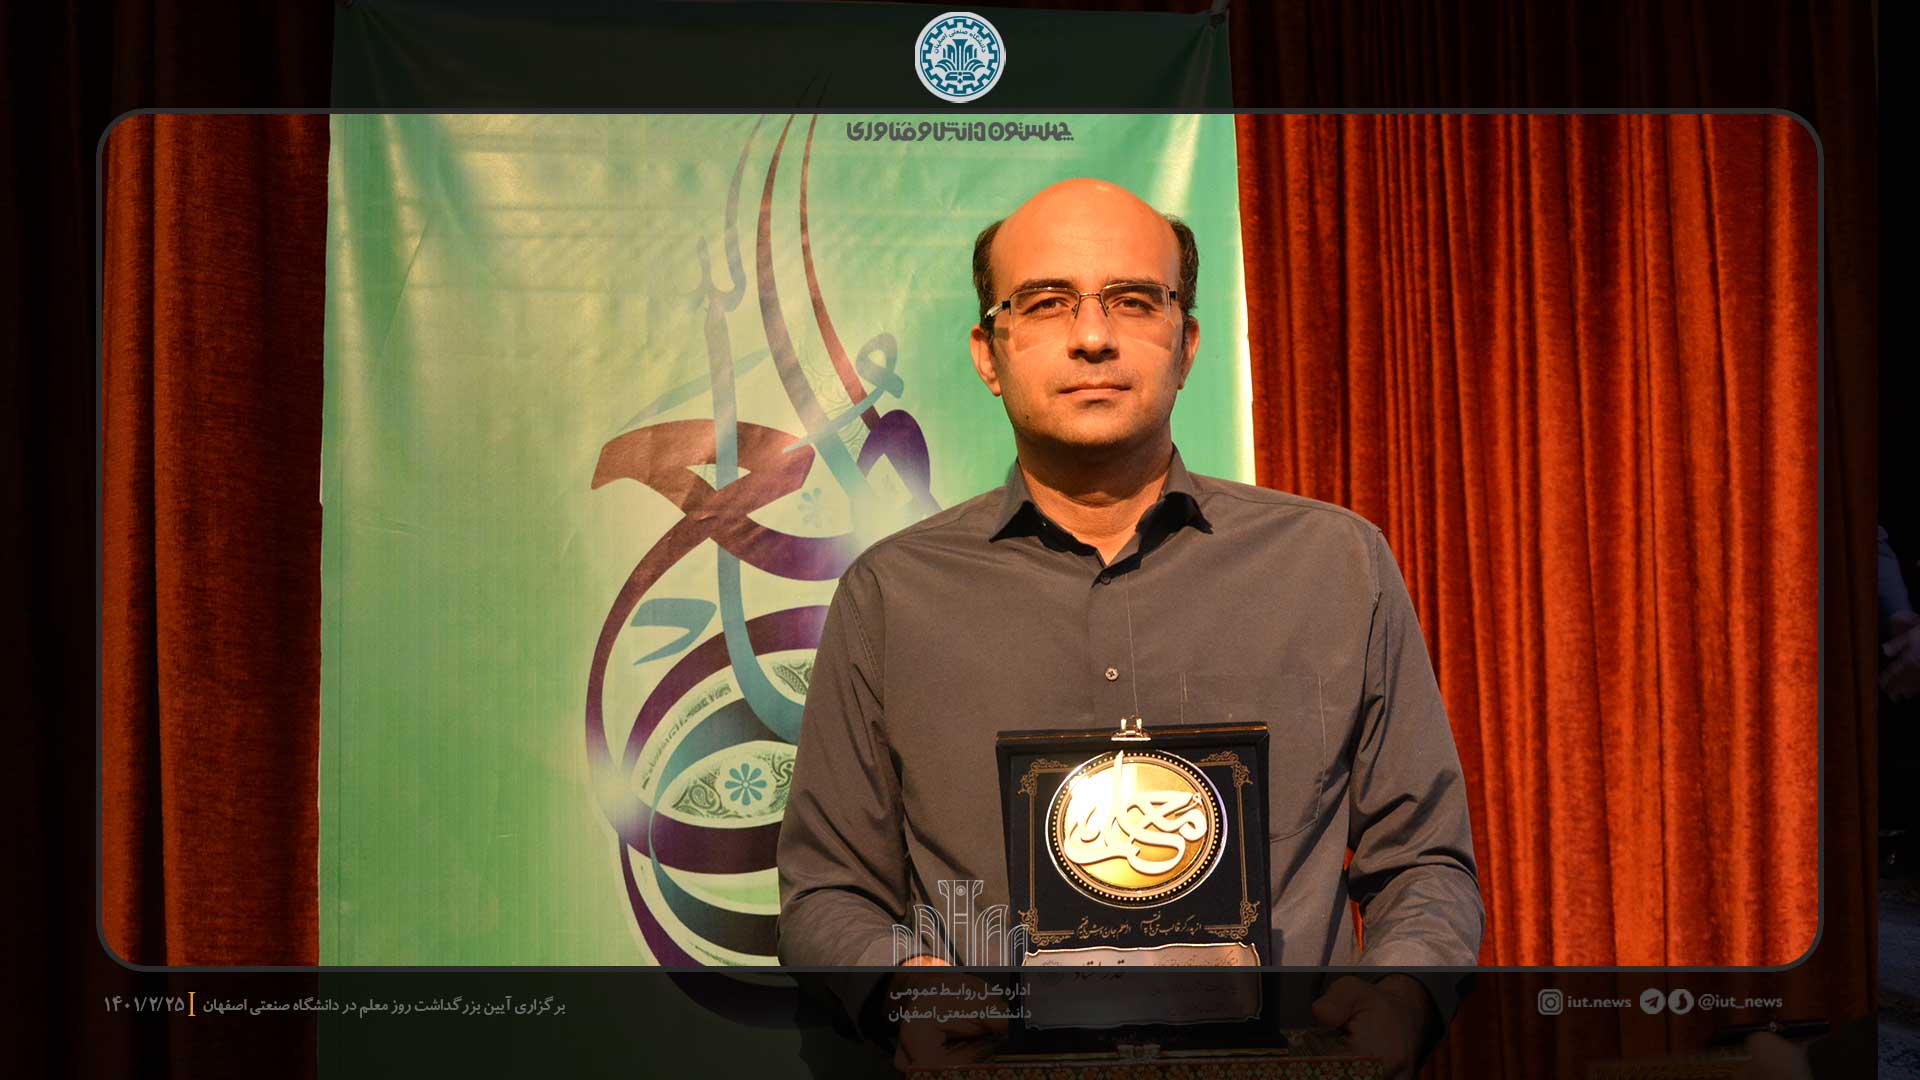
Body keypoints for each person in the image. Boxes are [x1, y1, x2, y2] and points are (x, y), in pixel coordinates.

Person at [776, 178, 1484, 1079]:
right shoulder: (890, 597)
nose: (1093, 336)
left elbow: (1425, 864)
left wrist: (1404, 996)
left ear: (1187, 344)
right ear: (989, 354)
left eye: (1134, 300)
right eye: (1045, 302)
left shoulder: (1337, 567)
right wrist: (905, 989)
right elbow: (827, 891)